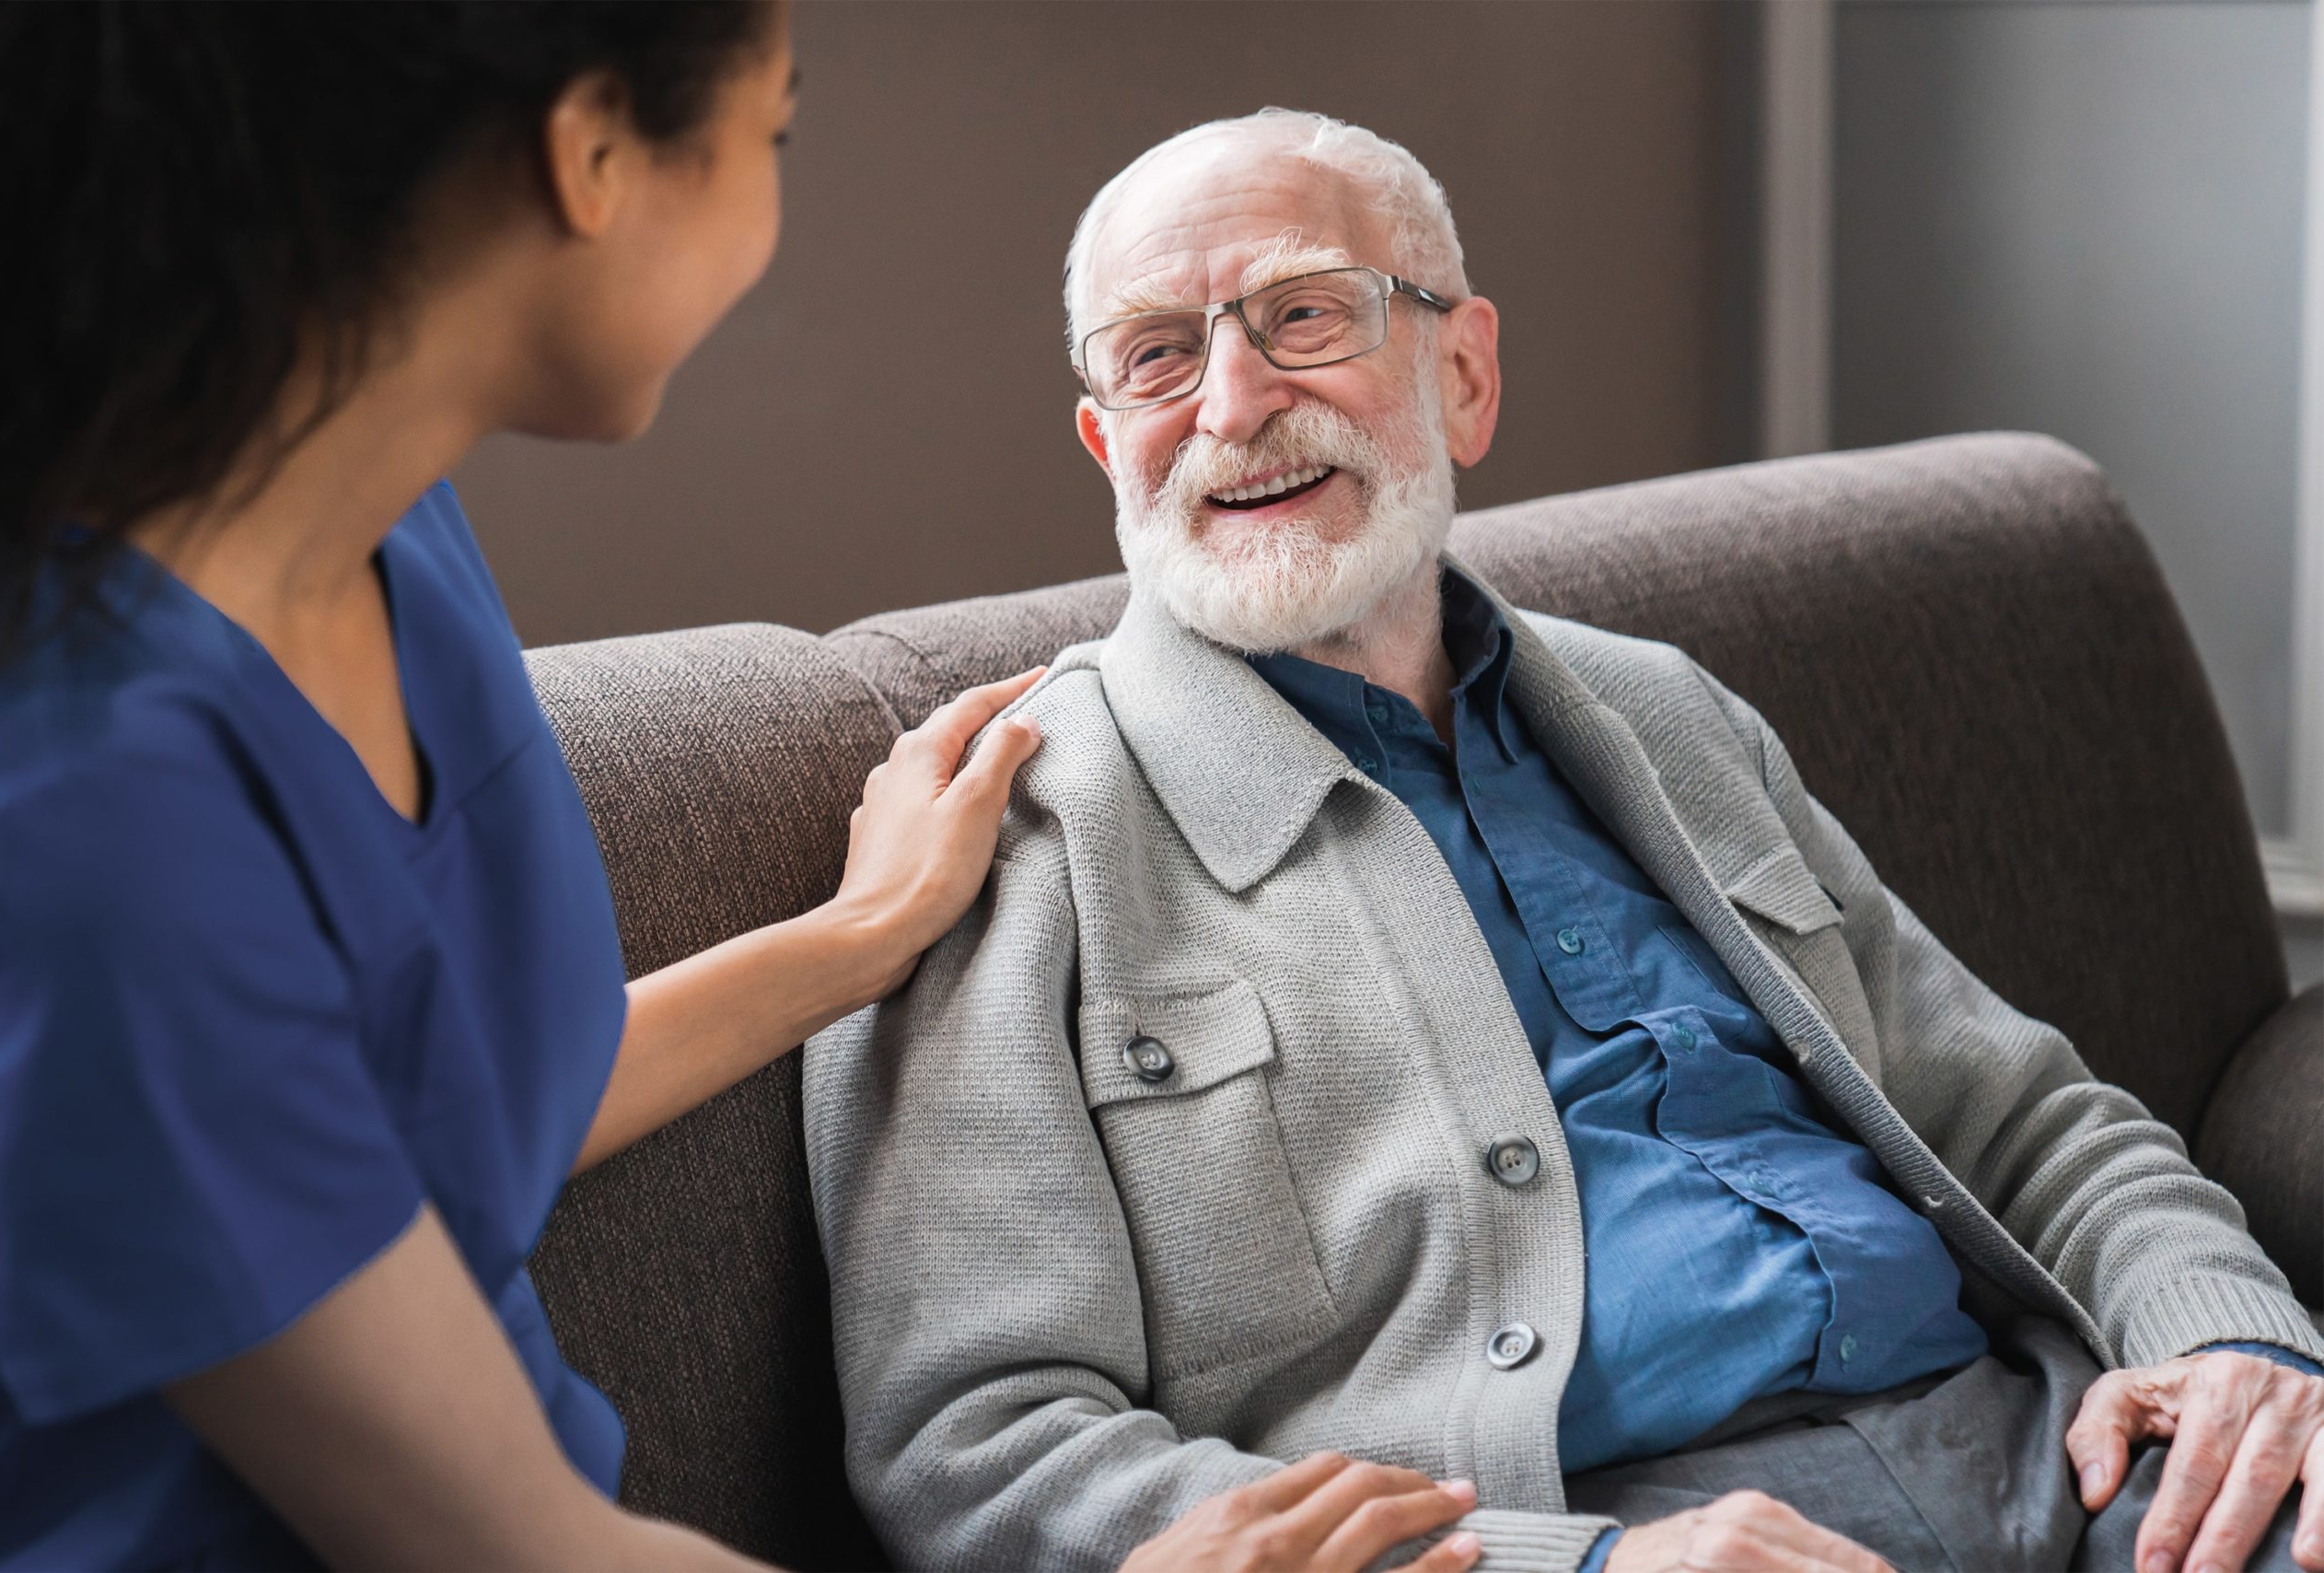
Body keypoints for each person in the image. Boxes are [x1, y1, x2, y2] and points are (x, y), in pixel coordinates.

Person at [0, 7, 1470, 1569]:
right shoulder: (73, 806)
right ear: (596, 155)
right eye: (776, 133)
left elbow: (426, 1104)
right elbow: (516, 1547)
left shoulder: (386, 529)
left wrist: (858, 938)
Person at [805, 108, 2324, 1573]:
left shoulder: (1664, 713)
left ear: (1462, 372)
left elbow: (2019, 1118)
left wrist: (2229, 1335)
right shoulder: (1008, 832)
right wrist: (1574, 1563)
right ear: (1104, 441)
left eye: (1303, 317)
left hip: (2070, 1457)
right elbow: (983, 1448)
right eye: (1157, 357)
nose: (1230, 405)